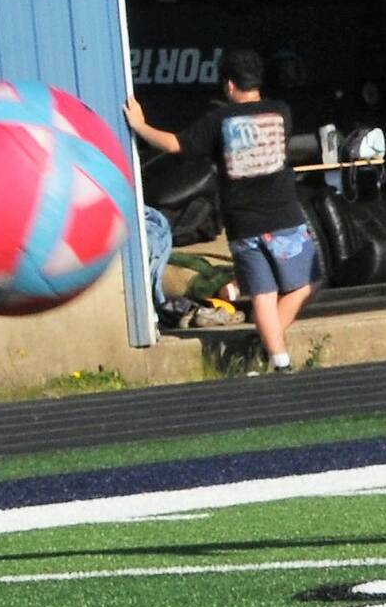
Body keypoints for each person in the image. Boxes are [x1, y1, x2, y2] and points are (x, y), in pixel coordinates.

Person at [125, 49, 321, 373]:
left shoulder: (218, 121)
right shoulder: (281, 112)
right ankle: (271, 343)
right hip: (285, 217)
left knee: (263, 294)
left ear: (229, 86)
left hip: (242, 223)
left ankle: (278, 359)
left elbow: (175, 144)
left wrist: (140, 125)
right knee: (307, 283)